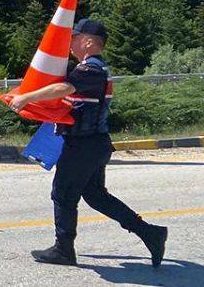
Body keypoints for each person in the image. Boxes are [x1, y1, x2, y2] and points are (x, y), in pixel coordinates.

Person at [9, 18, 168, 267]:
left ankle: (63, 250)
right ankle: (151, 233)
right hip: (94, 144)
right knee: (95, 196)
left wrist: (26, 97)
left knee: (63, 193)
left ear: (89, 41)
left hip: (84, 146)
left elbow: (63, 88)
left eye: (74, 38)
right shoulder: (94, 68)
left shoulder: (90, 68)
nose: (70, 43)